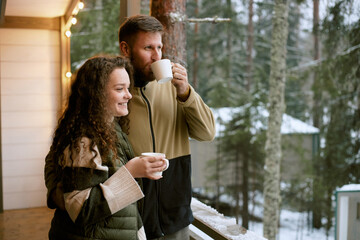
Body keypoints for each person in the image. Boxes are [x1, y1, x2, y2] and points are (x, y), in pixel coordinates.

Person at [45, 56, 167, 239]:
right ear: (96, 93)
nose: (129, 95)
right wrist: (130, 173)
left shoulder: (111, 127)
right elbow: (80, 211)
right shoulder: (84, 140)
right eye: (120, 89)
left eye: (128, 87)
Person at [118, 15, 216, 239]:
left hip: (175, 215)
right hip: (131, 216)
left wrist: (186, 93)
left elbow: (207, 133)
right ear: (125, 48)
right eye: (148, 48)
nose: (156, 56)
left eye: (160, 47)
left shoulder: (175, 89)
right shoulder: (116, 92)